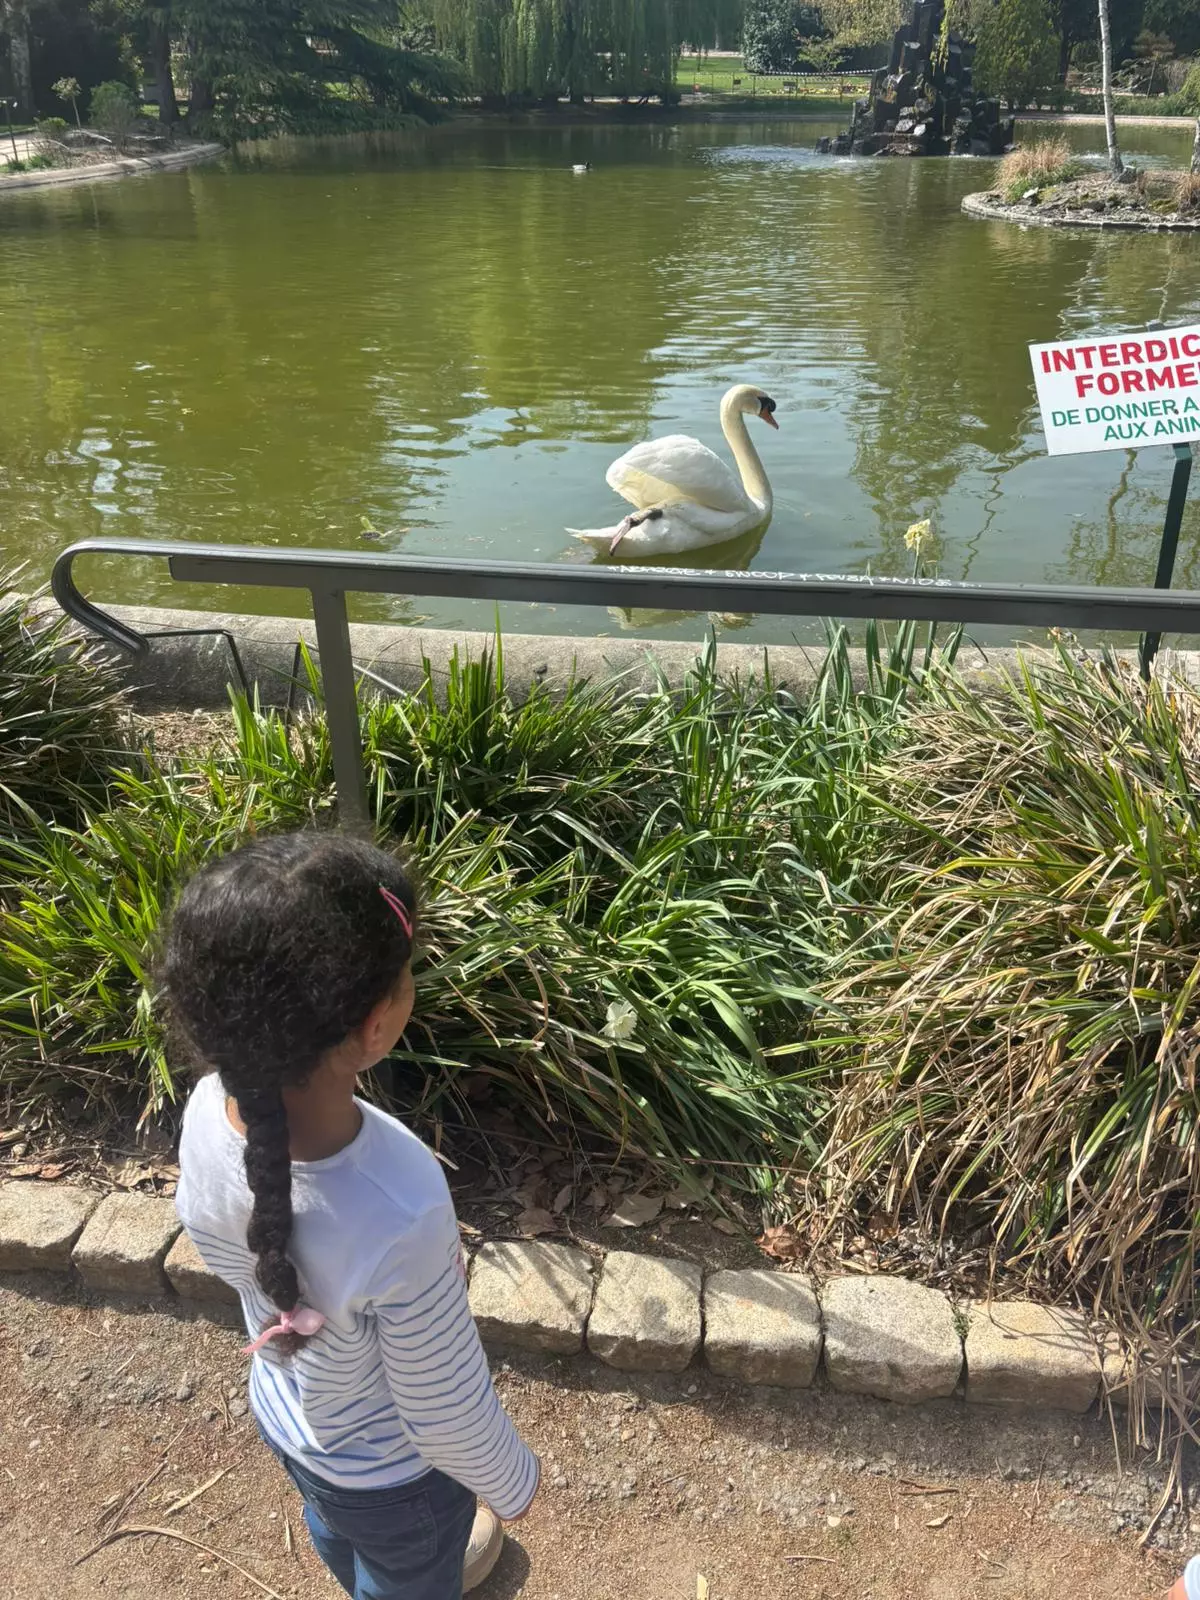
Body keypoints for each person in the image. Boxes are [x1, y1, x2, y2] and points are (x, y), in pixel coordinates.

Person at [165, 830, 539, 1600]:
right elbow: (442, 1410)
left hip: (288, 1421)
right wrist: (515, 1482)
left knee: (334, 1525)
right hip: (395, 1481)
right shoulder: (399, 1196)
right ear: (375, 1027)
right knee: (406, 1572)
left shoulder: (204, 1111)